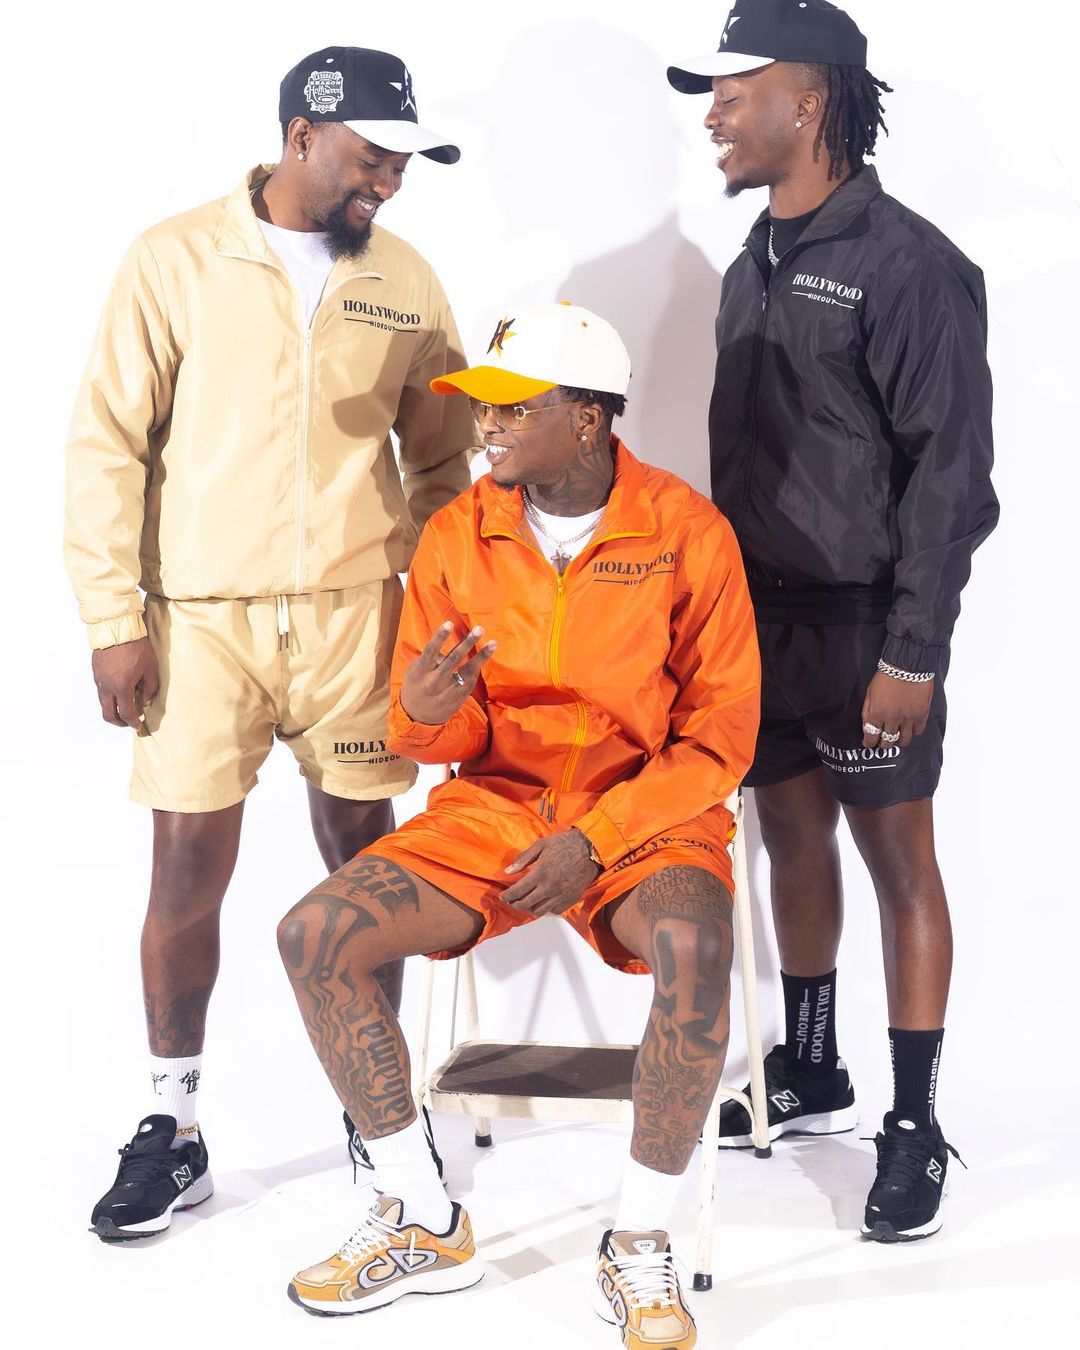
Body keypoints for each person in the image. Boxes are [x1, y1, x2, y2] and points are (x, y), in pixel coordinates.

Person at [275, 303, 760, 1343]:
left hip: (646, 816)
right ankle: (421, 1214)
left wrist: (597, 839)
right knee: (315, 936)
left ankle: (637, 1243)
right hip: (495, 809)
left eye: (512, 407)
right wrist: (424, 711)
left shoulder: (687, 532)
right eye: (483, 407)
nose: (486, 426)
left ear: (587, 419)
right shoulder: (458, 532)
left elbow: (720, 742)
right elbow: (436, 741)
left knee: (695, 947)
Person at [65, 45, 472, 1242]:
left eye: (403, 164)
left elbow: (442, 457)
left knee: (368, 867)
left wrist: (431, 599)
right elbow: (107, 444)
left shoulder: (404, 277)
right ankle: (174, 1123)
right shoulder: (175, 259)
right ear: (301, 137)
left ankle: (376, 1112)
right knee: (187, 869)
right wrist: (112, 620)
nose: (389, 182)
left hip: (355, 618)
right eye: (372, 159)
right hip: (201, 622)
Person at [667, 0, 998, 1242]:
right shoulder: (752, 258)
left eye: (733, 91)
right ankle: (812, 1065)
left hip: (869, 628)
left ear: (808, 103)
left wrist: (915, 648)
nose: (714, 114)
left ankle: (913, 1125)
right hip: (759, 625)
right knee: (790, 840)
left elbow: (951, 478)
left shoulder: (908, 264)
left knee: (898, 860)